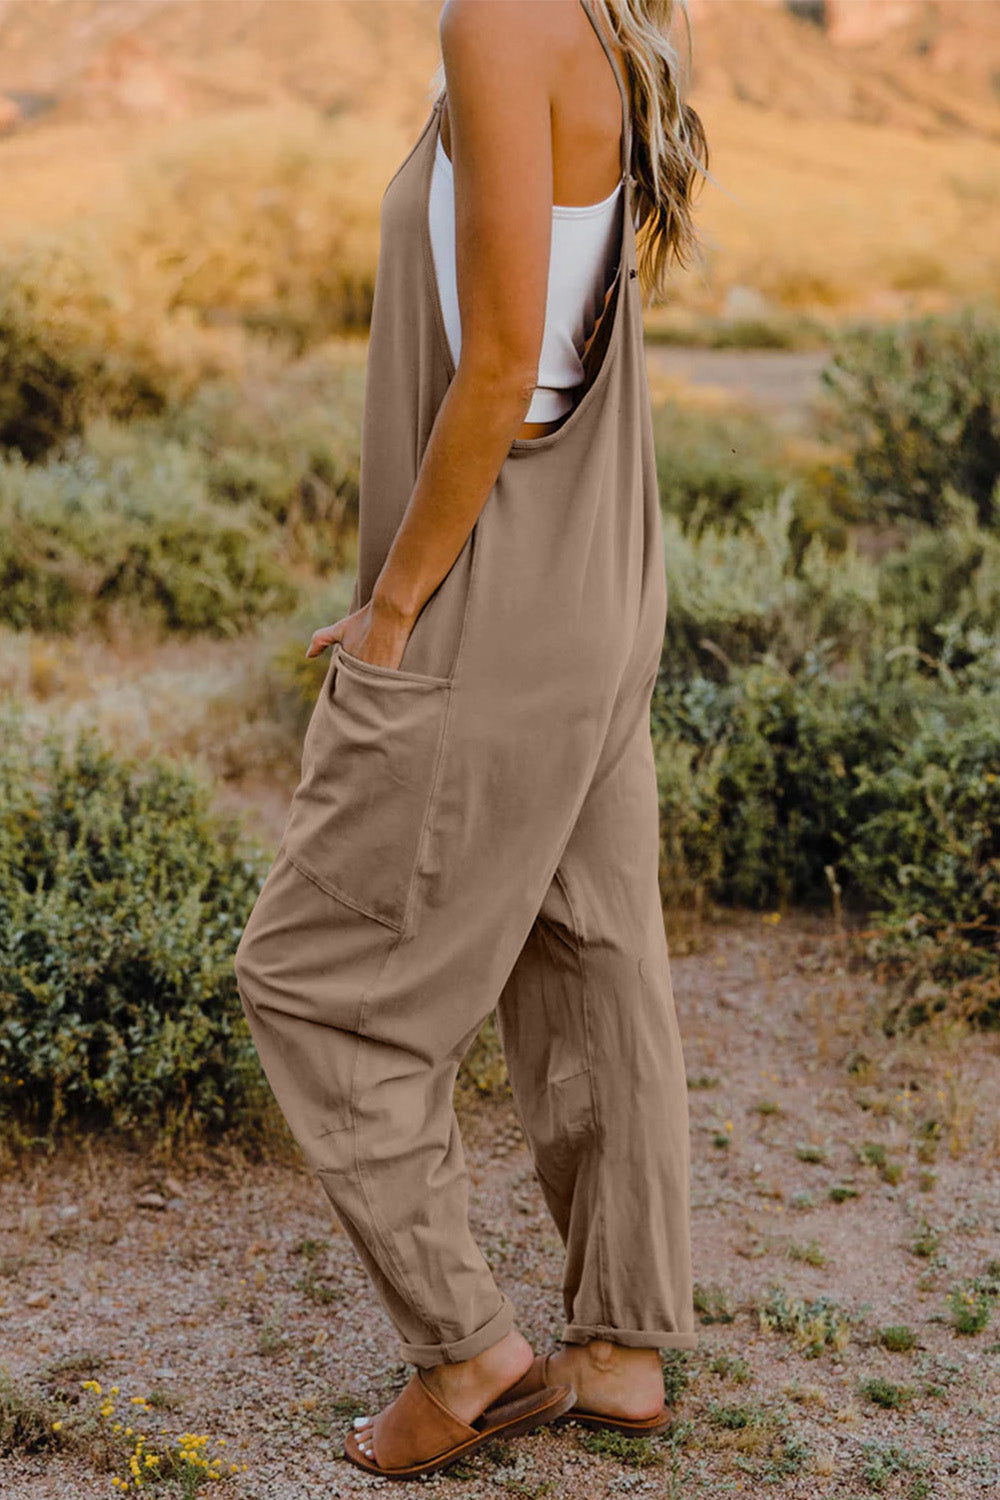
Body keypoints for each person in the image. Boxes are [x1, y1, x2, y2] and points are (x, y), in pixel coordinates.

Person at [234, 0, 710, 1481]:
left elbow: (503, 358)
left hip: (501, 601)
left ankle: (469, 1356)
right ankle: (622, 1352)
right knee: (593, 956)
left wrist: (394, 608)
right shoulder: (608, 16)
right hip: (597, 580)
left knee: (309, 984)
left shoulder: (498, 17)